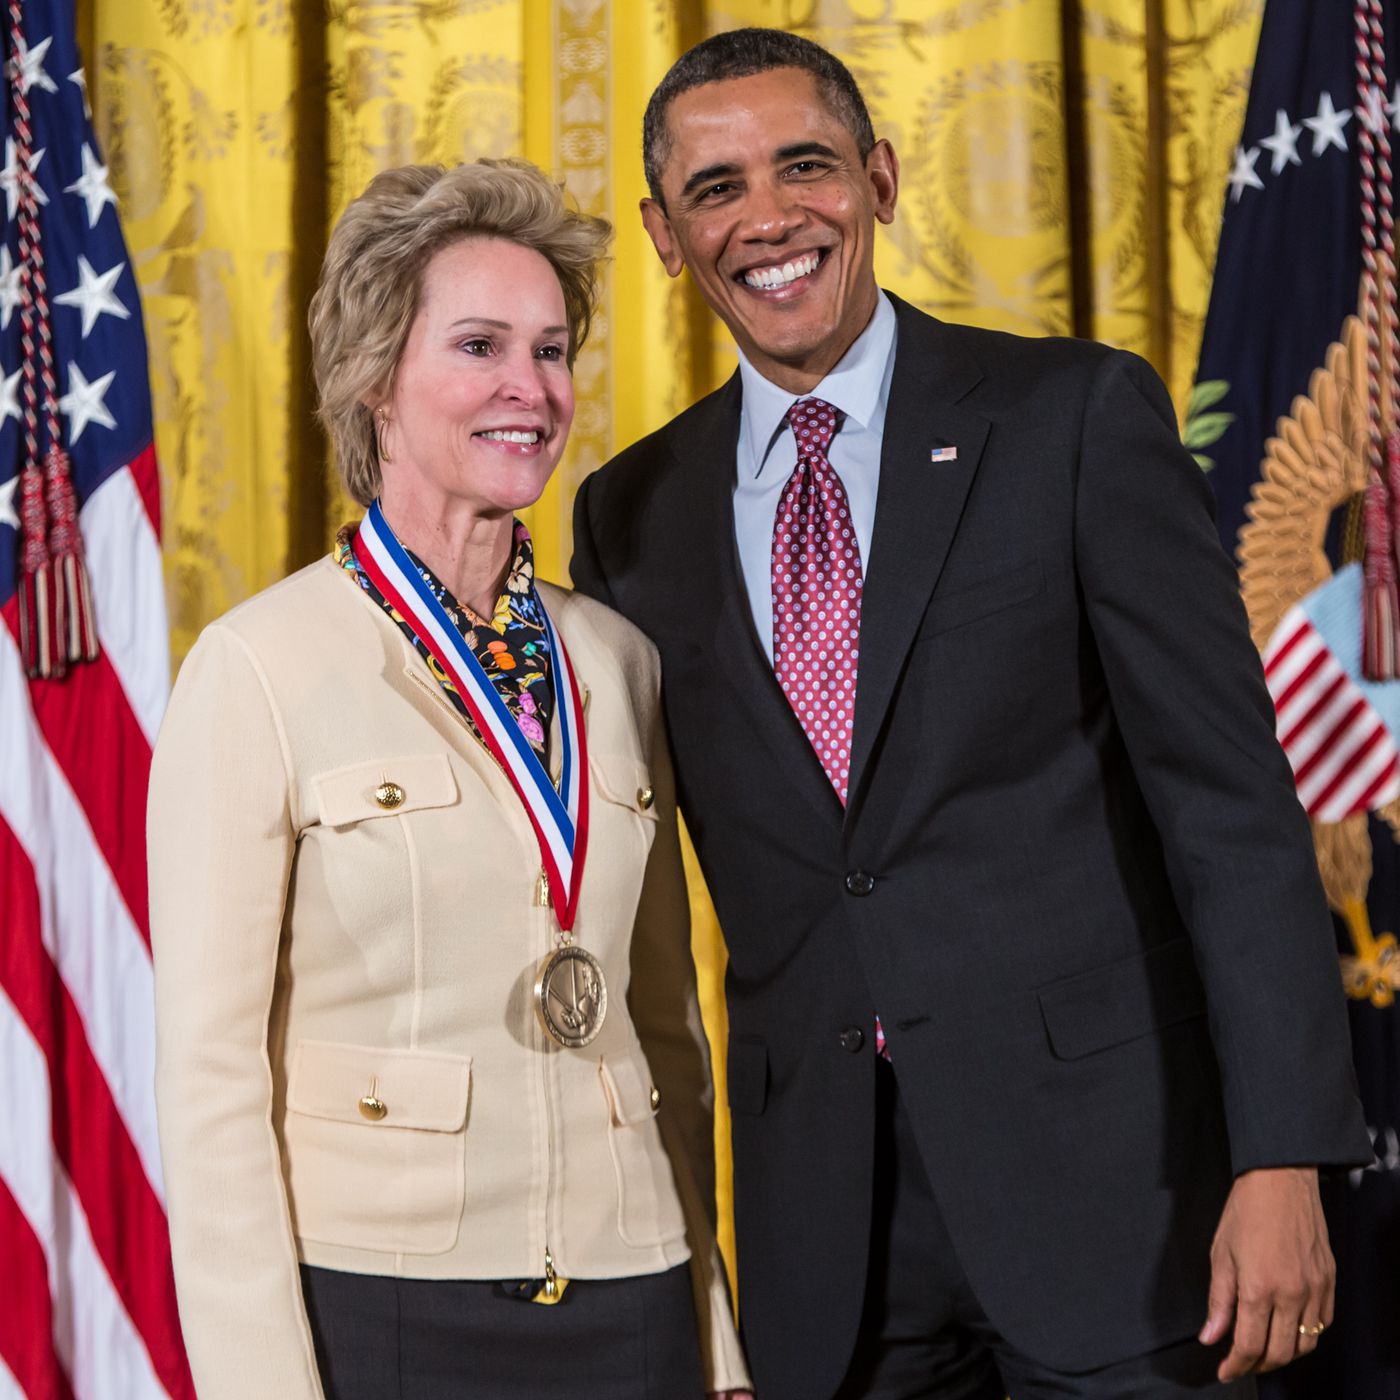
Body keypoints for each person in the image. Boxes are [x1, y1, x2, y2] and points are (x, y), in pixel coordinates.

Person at [569, 28, 1373, 1400]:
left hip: (1124, 1205)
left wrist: (1281, 1156)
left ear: (878, 178)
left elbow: (1231, 810)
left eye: (804, 165)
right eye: (715, 189)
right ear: (662, 232)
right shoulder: (628, 515)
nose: (766, 218)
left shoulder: (1071, 418)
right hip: (827, 1232)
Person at [148, 158, 749, 1400]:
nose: (527, 389)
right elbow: (209, 1080)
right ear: (374, 378)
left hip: (632, 1288)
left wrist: (713, 1330)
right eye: (477, 346)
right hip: (379, 1303)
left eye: (547, 349)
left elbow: (663, 1036)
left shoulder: (617, 660)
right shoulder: (258, 666)